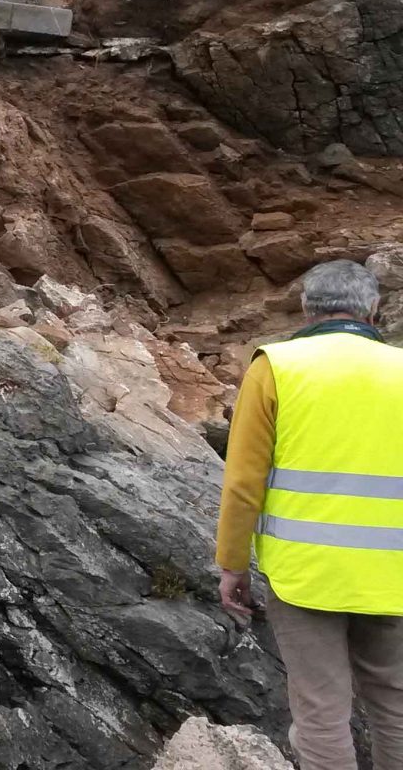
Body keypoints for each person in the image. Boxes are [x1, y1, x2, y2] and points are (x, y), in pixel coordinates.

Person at [217, 259, 403, 769]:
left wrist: (233, 564)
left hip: (305, 574)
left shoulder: (277, 365)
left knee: (322, 711)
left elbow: (242, 483)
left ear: (305, 306)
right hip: (393, 574)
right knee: (395, 705)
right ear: (374, 308)